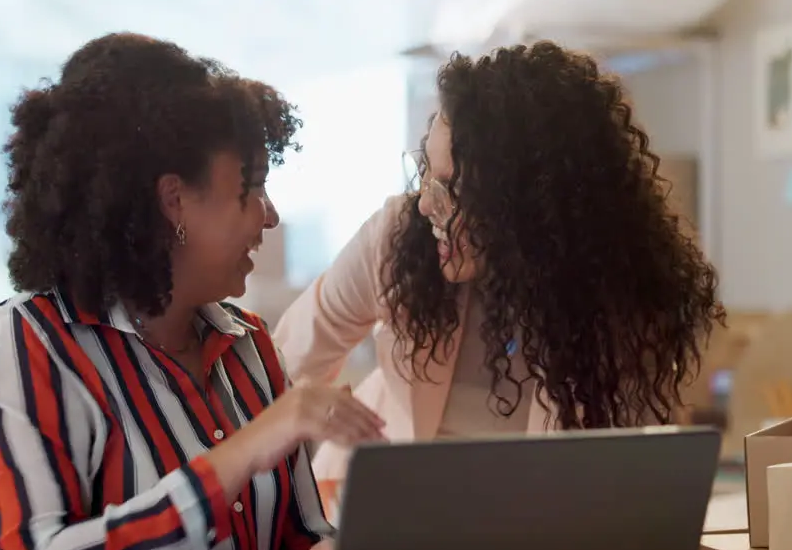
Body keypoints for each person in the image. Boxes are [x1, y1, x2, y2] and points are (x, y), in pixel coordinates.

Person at [0, 33, 382, 550]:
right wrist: (237, 456)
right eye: (250, 188)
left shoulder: (249, 345)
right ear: (173, 201)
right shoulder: (26, 343)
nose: (269, 216)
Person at [274, 42, 725, 517]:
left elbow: (607, 487)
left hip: (531, 534)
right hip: (382, 512)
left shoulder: (625, 305)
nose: (427, 204)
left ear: (529, 209)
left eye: (452, 189)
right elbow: (285, 364)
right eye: (427, 173)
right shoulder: (398, 239)